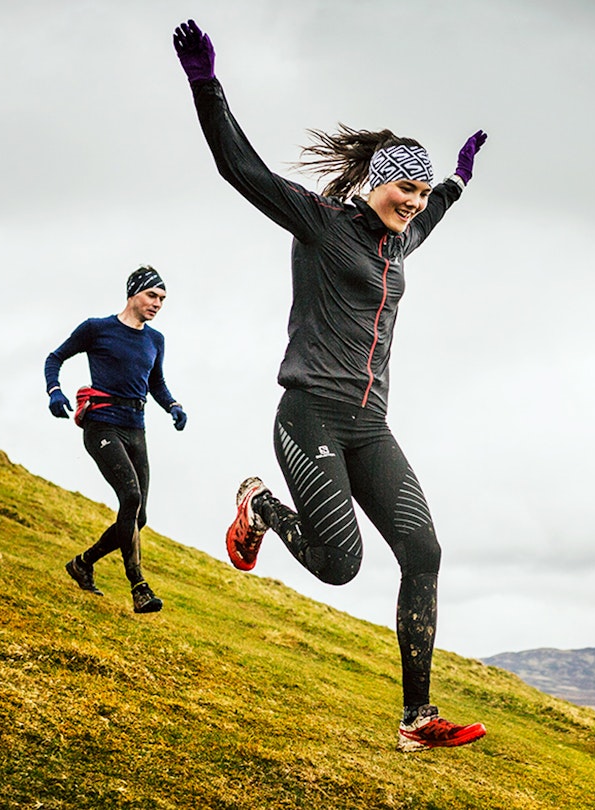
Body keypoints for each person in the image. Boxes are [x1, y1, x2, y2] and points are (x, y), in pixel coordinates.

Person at [172, 19, 488, 752]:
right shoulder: (319, 223)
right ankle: (259, 507)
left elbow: (436, 208)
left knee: (425, 552)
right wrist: (205, 86)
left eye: (416, 190)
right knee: (341, 565)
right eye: (401, 188)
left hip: (370, 425)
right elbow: (239, 168)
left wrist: (460, 179)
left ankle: (416, 722)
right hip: (309, 412)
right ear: (376, 183)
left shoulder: (402, 236)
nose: (411, 201)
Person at [44, 265, 187, 614]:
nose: (158, 303)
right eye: (152, 295)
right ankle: (138, 586)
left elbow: (156, 382)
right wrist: (55, 392)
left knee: (138, 517)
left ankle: (83, 563)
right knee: (131, 495)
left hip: (135, 428)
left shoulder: (156, 340)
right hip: (102, 426)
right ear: (133, 293)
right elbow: (55, 357)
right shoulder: (97, 329)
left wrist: (173, 404)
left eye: (163, 299)